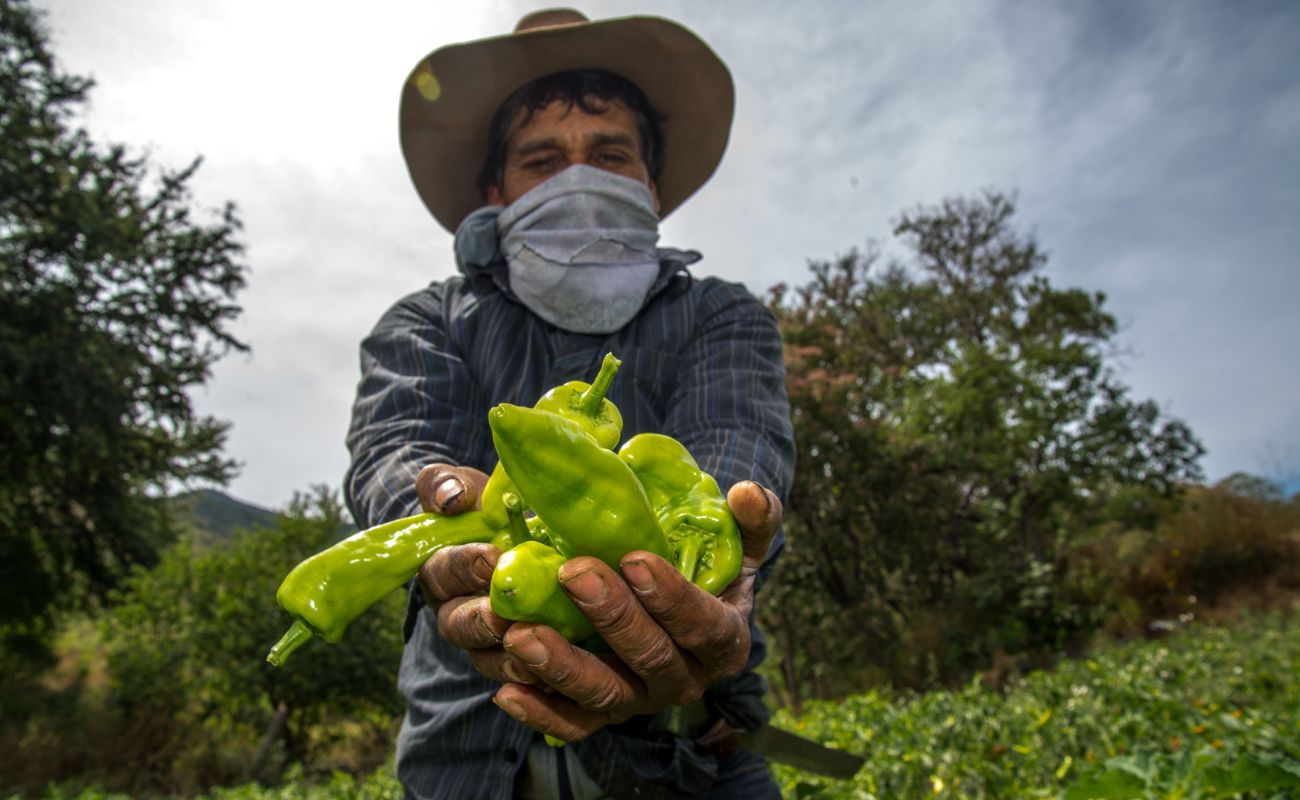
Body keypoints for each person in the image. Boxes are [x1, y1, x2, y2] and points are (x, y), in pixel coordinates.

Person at [343, 9, 795, 799]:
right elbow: (396, 456)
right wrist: (445, 520)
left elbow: (735, 451)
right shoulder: (428, 322)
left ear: (649, 185)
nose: (577, 178)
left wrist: (710, 562)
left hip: (699, 764)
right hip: (467, 763)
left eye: (610, 155)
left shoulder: (721, 317)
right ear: (496, 192)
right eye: (543, 159)